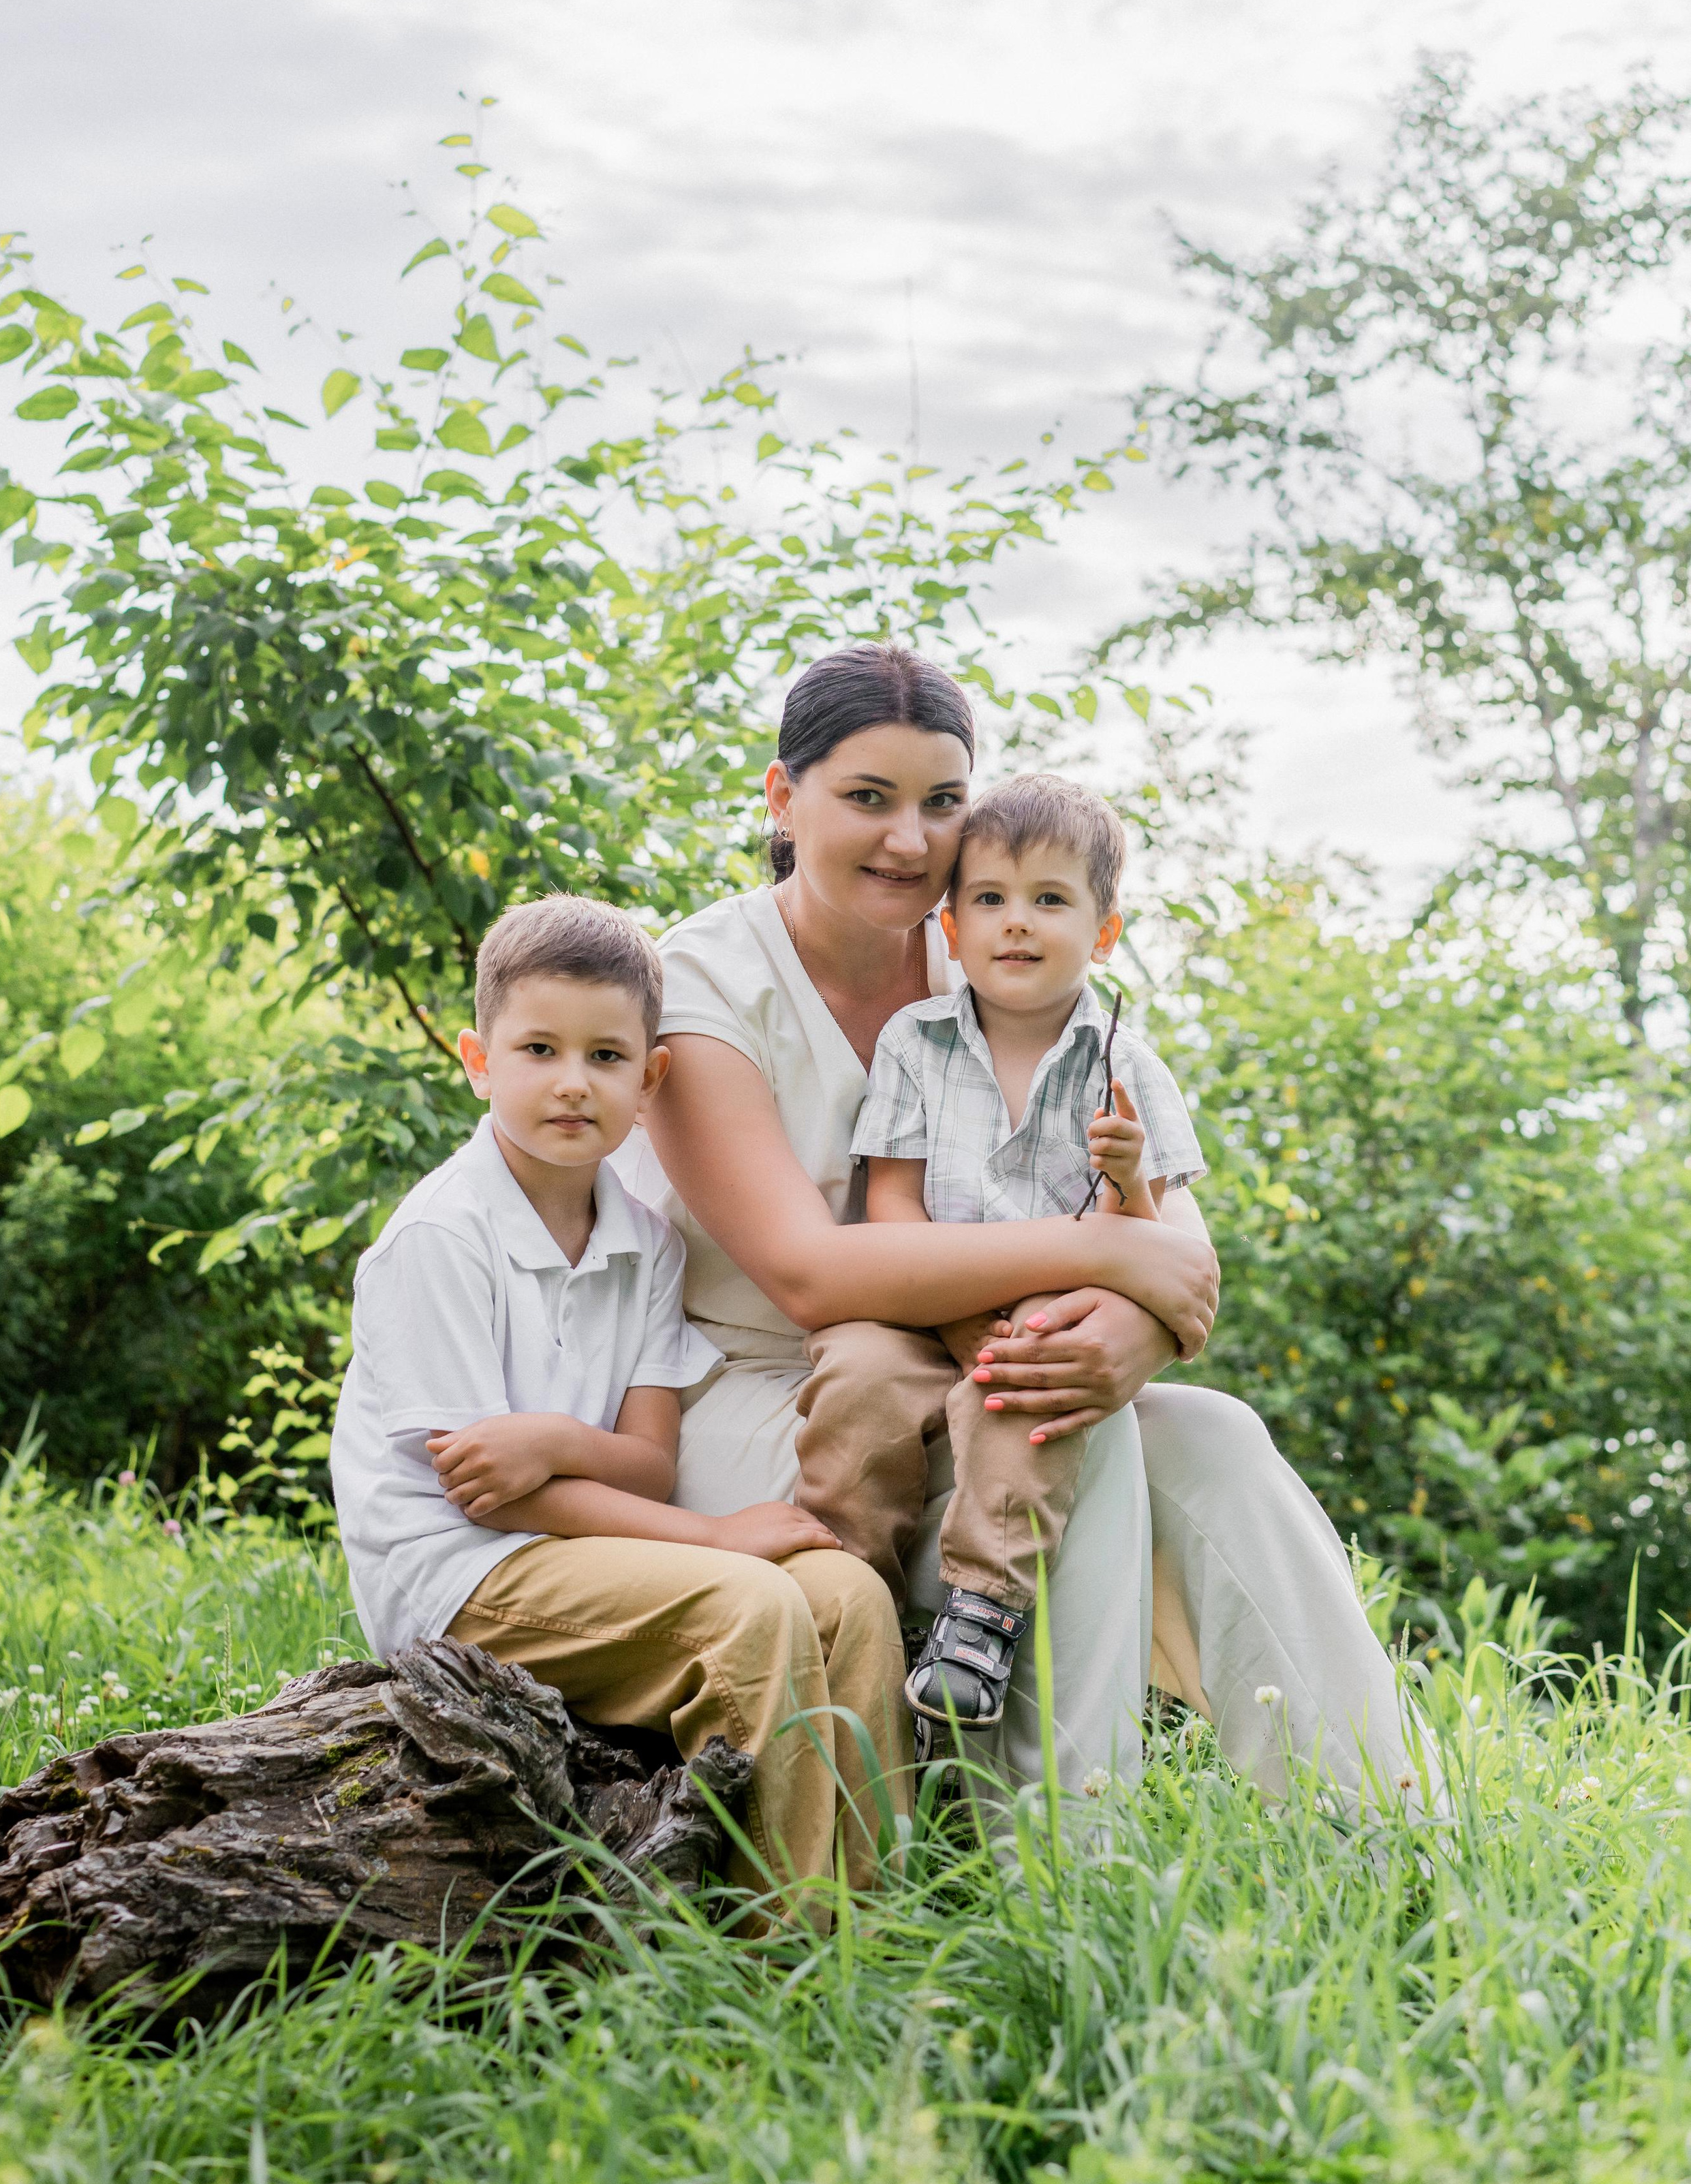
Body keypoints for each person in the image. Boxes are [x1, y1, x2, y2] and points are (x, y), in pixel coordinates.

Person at [625, 642, 1420, 1805]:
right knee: (1067, 1428)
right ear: (782, 799)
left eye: (942, 804)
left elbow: (1180, 1254)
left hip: (984, 1353)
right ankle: (1062, 1868)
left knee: (1216, 1438)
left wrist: (1130, 1338)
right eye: (867, 798)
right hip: (772, 1394)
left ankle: (1386, 1829)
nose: (909, 838)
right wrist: (1101, 1258)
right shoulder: (701, 981)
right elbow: (806, 1275)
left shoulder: (996, 949)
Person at [330, 892, 912, 1912]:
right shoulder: (444, 1237)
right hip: (457, 1578)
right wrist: (711, 1538)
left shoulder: (647, 1242)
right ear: (479, 1059)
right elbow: (492, 1498)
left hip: (584, 1549)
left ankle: (876, 1910)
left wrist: (552, 1439)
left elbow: (644, 1458)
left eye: (606, 1058)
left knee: (847, 1596)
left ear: (651, 1080)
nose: (572, 1083)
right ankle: (778, 1936)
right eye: (539, 1050)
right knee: (756, 1607)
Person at [806, 771, 1181, 1738]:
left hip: (1041, 1321)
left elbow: (1152, 1242)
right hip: (920, 1303)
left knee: (1024, 1402)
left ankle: (980, 1615)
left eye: (1050, 901)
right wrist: (948, 1310)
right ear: (950, 928)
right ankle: (848, 1593)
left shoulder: (1124, 1063)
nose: (1017, 924)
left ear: (1104, 933)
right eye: (990, 900)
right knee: (855, 1378)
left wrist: (1131, 1177)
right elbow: (889, 1202)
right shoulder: (916, 1042)